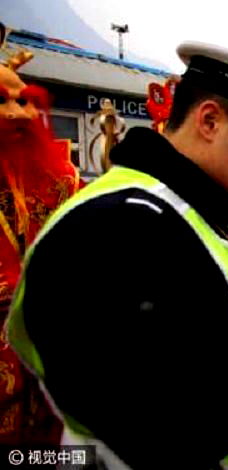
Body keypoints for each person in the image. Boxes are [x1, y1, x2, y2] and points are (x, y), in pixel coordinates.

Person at [4, 42, 228, 469]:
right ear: (209, 120)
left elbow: (205, 338)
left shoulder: (186, 208)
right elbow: (189, 416)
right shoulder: (122, 225)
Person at [0, 46, 80, 446]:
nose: (18, 115)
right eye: (2, 101)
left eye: (24, 101)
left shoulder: (61, 180)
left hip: (48, 354)